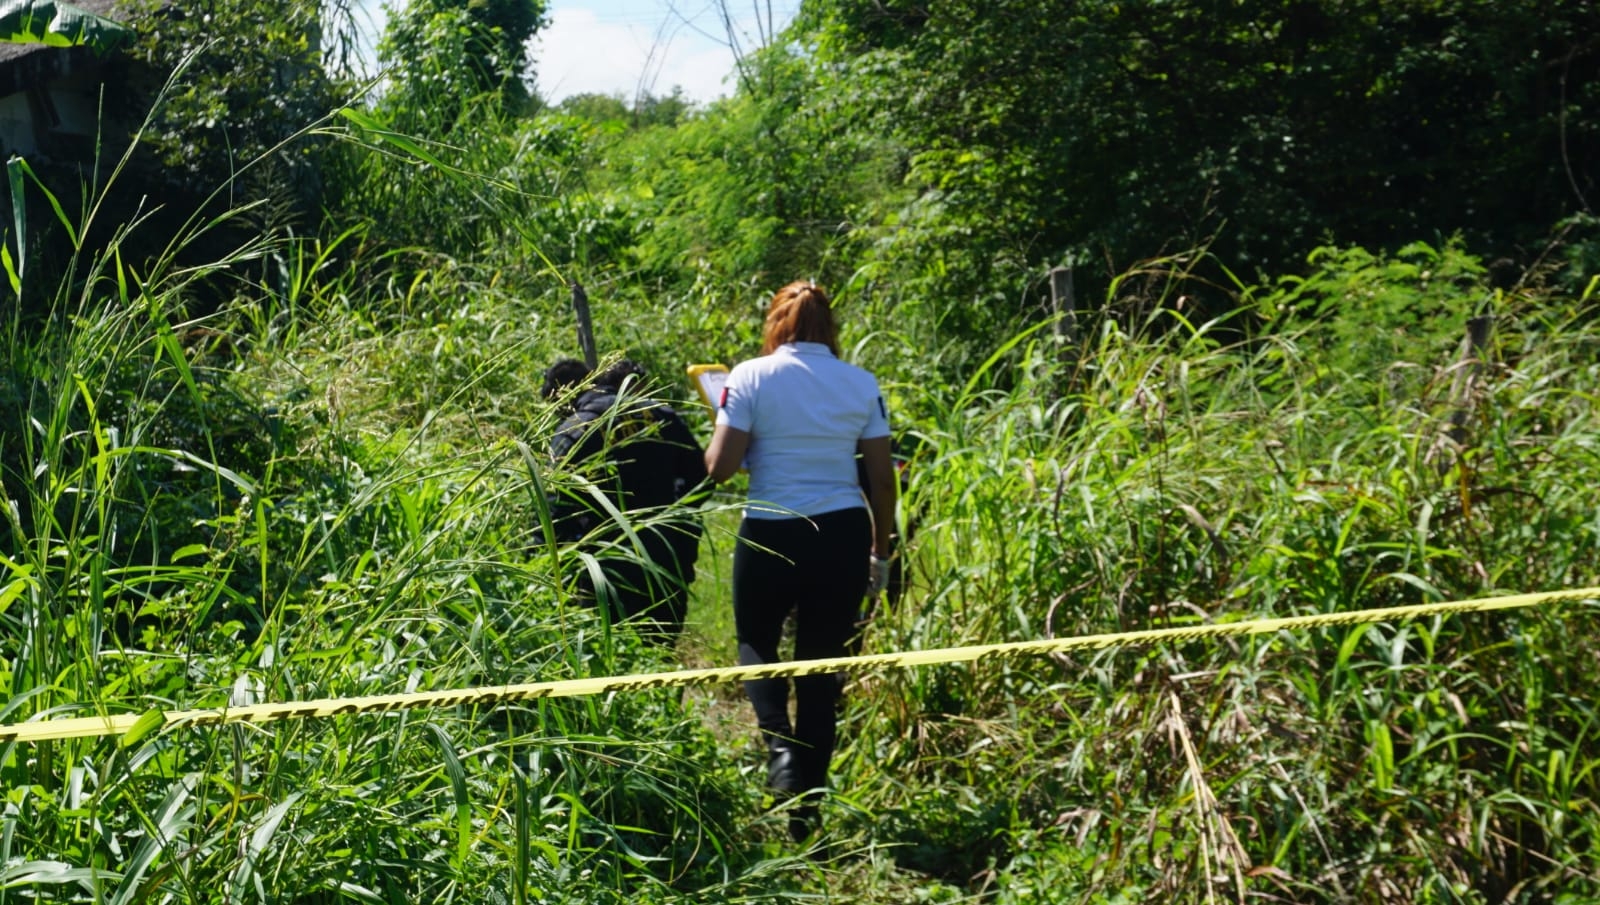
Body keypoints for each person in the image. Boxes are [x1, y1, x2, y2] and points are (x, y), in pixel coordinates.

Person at [703, 280, 897, 841]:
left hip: (770, 527)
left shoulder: (747, 376)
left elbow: (719, 467)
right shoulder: (861, 384)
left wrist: (730, 437)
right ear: (828, 328)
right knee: (820, 668)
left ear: (776, 325)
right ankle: (807, 817)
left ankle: (778, 747)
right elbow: (881, 479)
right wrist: (878, 550)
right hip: (840, 531)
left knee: (757, 641)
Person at [542, 358, 707, 642]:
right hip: (668, 559)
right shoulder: (660, 414)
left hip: (606, 570)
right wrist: (679, 521)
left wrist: (550, 566)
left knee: (614, 659)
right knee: (660, 658)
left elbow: (553, 510)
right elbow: (701, 477)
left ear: (561, 399)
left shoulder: (575, 430)